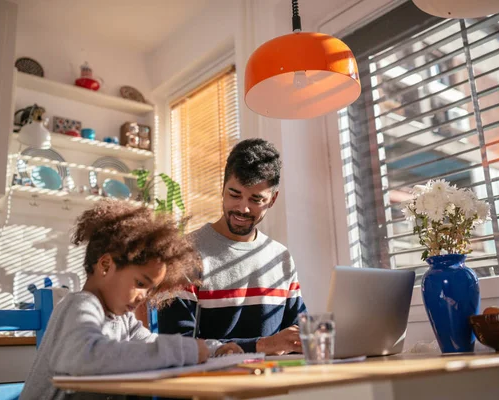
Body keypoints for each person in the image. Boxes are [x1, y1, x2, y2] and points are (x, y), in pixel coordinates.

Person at [20, 201, 241, 400]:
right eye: (141, 283)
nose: (144, 296)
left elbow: (149, 343)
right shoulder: (80, 305)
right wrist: (186, 351)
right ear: (105, 265)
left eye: (151, 289)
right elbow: (85, 358)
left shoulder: (123, 319)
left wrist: (213, 349)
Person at [158, 138, 306, 355]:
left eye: (256, 199)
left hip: (274, 383)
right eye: (234, 195)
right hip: (210, 386)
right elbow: (177, 345)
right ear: (223, 188)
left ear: (273, 199)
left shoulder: (280, 257)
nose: (243, 208)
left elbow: (296, 336)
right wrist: (261, 346)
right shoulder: (184, 253)